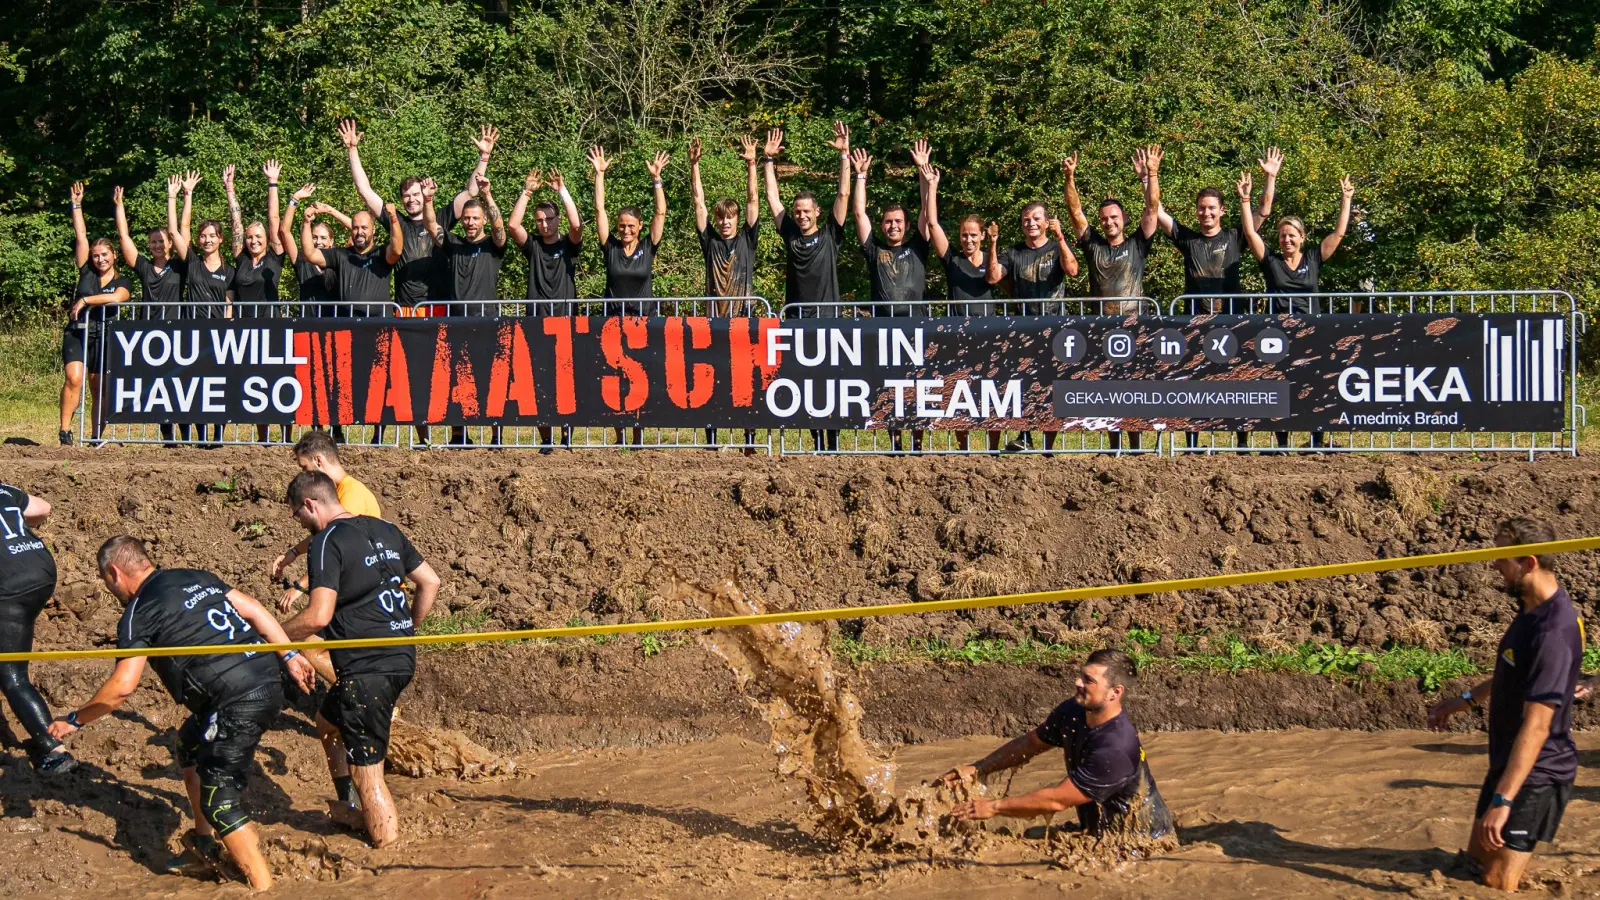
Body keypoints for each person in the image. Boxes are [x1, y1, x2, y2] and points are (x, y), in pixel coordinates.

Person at [49, 536, 315, 890]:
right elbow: (252, 607)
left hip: (235, 701)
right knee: (189, 744)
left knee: (219, 803)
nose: (109, 588)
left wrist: (74, 720)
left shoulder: (138, 611)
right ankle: (203, 845)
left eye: (105, 580)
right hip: (268, 677)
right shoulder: (194, 575)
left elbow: (123, 686)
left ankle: (264, 890)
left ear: (114, 573)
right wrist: (289, 655)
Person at [279, 471, 440, 849]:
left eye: (296, 514)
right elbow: (430, 582)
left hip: (366, 669)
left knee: (368, 775)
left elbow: (318, 616)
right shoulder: (386, 528)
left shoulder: (325, 541)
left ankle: (390, 855)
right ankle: (349, 805)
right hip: (401, 657)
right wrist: (407, 628)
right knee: (327, 722)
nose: (299, 523)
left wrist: (273, 635)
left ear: (310, 504)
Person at [1427, 518, 1582, 893]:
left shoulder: (1554, 632)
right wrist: (1466, 700)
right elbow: (1512, 670)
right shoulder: (1529, 608)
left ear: (1529, 562)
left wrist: (1503, 799)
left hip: (1538, 773)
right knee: (1471, 868)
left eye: (1501, 557)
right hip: (1507, 762)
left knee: (1497, 883)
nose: (1493, 564)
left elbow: (1538, 726)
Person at [944, 649, 1174, 840]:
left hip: (1138, 838)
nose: (1077, 683)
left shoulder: (1116, 748)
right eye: (1081, 676)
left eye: (1089, 681)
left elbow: (1057, 800)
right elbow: (1031, 743)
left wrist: (993, 807)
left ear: (1115, 692)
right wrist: (978, 768)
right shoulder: (1073, 710)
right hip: (1096, 830)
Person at [1152, 148, 1280, 450]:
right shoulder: (1188, 239)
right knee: (1194, 383)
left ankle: (1242, 443)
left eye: (1211, 208)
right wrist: (1150, 176)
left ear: (1222, 210)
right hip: (1195, 323)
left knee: (1238, 381)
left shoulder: (1236, 237)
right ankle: (1192, 443)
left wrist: (1270, 178)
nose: (1206, 213)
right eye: (1201, 208)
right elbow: (1155, 210)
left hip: (1232, 322)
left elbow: (1263, 211)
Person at [1241, 172, 1355, 452]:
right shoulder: (1271, 261)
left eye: (1291, 235)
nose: (1286, 240)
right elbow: (1250, 233)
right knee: (1281, 388)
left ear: (1302, 238)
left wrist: (1346, 199)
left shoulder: (1314, 258)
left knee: (1315, 386)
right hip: (1279, 335)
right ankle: (1282, 443)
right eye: (1282, 236)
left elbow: (1339, 234)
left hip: (1311, 333)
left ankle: (1316, 441)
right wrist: (1245, 200)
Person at [1065, 146, 1163, 454]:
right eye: (1105, 218)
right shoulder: (1093, 246)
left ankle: (1136, 447)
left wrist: (1152, 173)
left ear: (1124, 219)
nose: (1109, 222)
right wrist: (1070, 178)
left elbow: (1152, 209)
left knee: (1134, 389)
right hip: (1101, 327)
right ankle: (1114, 446)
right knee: (1108, 390)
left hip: (1135, 326)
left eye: (1114, 217)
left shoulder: (1137, 244)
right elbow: (1076, 213)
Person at [342, 119, 495, 314]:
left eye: (415, 194)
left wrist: (484, 157)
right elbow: (365, 191)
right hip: (405, 309)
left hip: (438, 308)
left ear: (423, 194)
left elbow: (471, 191)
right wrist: (352, 150)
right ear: (402, 199)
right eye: (406, 196)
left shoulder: (441, 218)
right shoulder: (396, 222)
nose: (411, 199)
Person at [762, 123, 852, 451]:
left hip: (828, 321)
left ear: (817, 212)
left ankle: (833, 443)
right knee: (807, 384)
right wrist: (768, 161)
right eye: (797, 211)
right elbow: (773, 199)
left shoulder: (830, 235)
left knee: (830, 383)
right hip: (798, 322)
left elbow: (843, 195)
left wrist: (844, 156)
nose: (801, 216)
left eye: (806, 211)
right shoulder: (790, 234)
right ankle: (816, 441)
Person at [916, 146, 1001, 454]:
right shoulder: (952, 259)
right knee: (959, 393)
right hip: (958, 335)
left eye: (973, 235)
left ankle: (993, 448)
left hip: (988, 334)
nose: (968, 240)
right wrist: (932, 186)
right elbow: (933, 225)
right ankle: (963, 449)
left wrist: (993, 245)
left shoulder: (992, 258)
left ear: (982, 236)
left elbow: (994, 278)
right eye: (964, 235)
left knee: (990, 393)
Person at [590, 145, 670, 447]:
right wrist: (600, 174)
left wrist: (657, 180)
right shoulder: (610, 247)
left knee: (641, 379)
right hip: (613, 323)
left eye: (631, 226)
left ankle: (638, 435)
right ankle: (619, 435)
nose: (625, 230)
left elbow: (660, 212)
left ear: (639, 228)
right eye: (622, 226)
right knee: (615, 378)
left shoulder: (648, 246)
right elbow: (599, 210)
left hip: (643, 322)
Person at [851, 145, 929, 452]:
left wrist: (923, 171)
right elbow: (859, 213)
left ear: (906, 226)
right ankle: (895, 443)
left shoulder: (918, 247)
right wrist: (860, 175)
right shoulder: (874, 250)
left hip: (916, 329)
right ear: (882, 225)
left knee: (917, 389)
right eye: (888, 221)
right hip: (884, 330)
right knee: (890, 389)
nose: (893, 226)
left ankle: (917, 445)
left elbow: (927, 212)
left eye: (898, 221)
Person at [987, 194, 1079, 453]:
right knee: (1025, 384)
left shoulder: (1056, 247)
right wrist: (993, 244)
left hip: (1055, 328)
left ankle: (1049, 447)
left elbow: (1072, 270)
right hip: (1024, 330)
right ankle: (1025, 436)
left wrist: (1060, 237)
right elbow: (993, 277)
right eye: (1026, 220)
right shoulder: (1013, 252)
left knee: (1052, 387)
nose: (1031, 223)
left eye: (1036, 219)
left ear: (1047, 222)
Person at [690, 135, 762, 451]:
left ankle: (749, 440)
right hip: (714, 323)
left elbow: (753, 199)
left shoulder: (747, 239)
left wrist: (752, 164)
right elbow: (699, 203)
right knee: (712, 379)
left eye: (729, 217)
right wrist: (694, 166)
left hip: (743, 319)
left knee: (745, 381)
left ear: (736, 219)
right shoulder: (710, 242)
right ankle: (711, 440)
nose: (725, 222)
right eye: (721, 218)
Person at [424, 175, 506, 446]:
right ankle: (459, 435)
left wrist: (488, 195)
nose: (470, 223)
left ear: (483, 220)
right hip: (457, 323)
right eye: (467, 218)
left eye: (475, 218)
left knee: (489, 380)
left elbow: (500, 229)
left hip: (486, 323)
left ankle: (496, 436)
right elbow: (431, 225)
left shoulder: (492, 246)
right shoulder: (455, 244)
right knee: (456, 380)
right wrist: (428, 199)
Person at [0, 483, 76, 774]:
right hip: (41, 569)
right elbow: (43, 508)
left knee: (13, 676)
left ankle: (54, 750)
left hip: (11, 586)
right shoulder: (4, 489)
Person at [508, 166, 584, 453]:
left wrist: (562, 191)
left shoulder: (568, 244)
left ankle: (566, 438)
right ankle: (546, 440)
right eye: (539, 220)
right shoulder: (534, 246)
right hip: (537, 323)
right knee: (539, 382)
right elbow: (513, 226)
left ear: (557, 220)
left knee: (567, 384)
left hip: (566, 322)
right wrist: (526, 192)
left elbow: (577, 226)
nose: (544, 225)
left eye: (549, 219)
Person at [113, 177, 189, 445]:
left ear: (170, 244)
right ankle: (168, 436)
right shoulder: (144, 267)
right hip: (151, 334)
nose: (157, 245)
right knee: (160, 386)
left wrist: (176, 197)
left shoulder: (179, 266)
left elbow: (182, 230)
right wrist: (119, 206)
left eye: (161, 241)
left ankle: (187, 434)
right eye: (153, 242)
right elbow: (124, 238)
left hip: (177, 333)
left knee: (179, 384)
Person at [60, 182, 132, 446]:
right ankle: (65, 431)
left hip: (104, 337)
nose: (100, 259)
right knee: (74, 378)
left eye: (104, 255)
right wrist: (76, 205)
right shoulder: (86, 270)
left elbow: (117, 298)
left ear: (114, 255)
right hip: (78, 333)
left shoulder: (123, 281)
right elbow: (81, 235)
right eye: (96, 256)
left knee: (98, 386)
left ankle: (95, 437)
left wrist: (86, 300)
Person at [224, 160, 289, 443]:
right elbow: (236, 224)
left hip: (272, 329)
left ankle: (286, 436)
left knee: (278, 381)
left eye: (258, 237)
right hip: (246, 330)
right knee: (255, 383)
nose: (253, 241)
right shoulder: (240, 259)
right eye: (250, 237)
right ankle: (263, 439)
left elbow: (274, 221)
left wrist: (272, 183)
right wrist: (230, 189)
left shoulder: (275, 256)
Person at [172, 169, 235, 444]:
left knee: (217, 386)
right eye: (203, 236)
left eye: (212, 235)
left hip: (217, 335)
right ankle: (197, 437)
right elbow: (179, 230)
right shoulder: (193, 263)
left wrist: (228, 331)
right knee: (192, 386)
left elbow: (229, 304)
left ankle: (217, 437)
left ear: (220, 239)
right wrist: (185, 194)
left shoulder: (229, 271)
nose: (207, 240)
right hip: (191, 332)